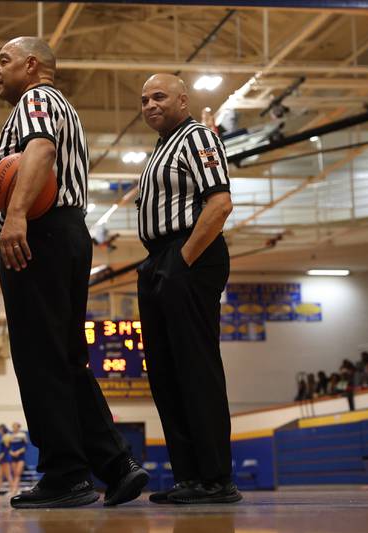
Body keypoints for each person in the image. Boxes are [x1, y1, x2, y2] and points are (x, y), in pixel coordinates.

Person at [0, 36, 147, 508]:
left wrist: (16, 215)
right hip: (67, 233)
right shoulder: (63, 106)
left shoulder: (36, 99)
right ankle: (117, 465)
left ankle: (66, 475)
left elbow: (39, 152)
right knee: (63, 358)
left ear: (32, 65)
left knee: (40, 359)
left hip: (40, 232)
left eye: (4, 61)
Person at [136, 74, 241, 505]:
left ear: (183, 100)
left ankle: (216, 479)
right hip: (160, 257)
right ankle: (189, 478)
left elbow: (220, 204)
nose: (150, 105)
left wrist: (182, 261)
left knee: (196, 370)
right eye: (144, 100)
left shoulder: (198, 136)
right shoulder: (160, 149)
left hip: (191, 254)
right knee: (166, 375)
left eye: (159, 96)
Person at [8, 422, 28, 495]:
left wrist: (18, 452)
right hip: (13, 456)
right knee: (14, 473)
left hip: (20, 456)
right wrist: (11, 452)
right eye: (13, 427)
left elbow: (25, 446)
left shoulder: (22, 435)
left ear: (18, 427)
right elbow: (8, 447)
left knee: (17, 473)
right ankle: (16, 489)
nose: (14, 428)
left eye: (16, 426)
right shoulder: (10, 436)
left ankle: (14, 490)